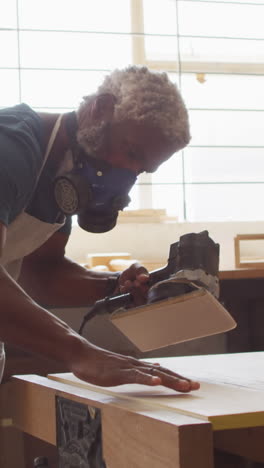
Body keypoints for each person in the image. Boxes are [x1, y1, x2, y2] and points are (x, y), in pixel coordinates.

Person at [0, 65, 200, 392]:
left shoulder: (60, 173)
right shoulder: (10, 149)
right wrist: (80, 352)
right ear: (101, 110)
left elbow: (40, 273)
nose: (127, 175)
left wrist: (112, 288)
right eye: (131, 152)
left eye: (142, 169)